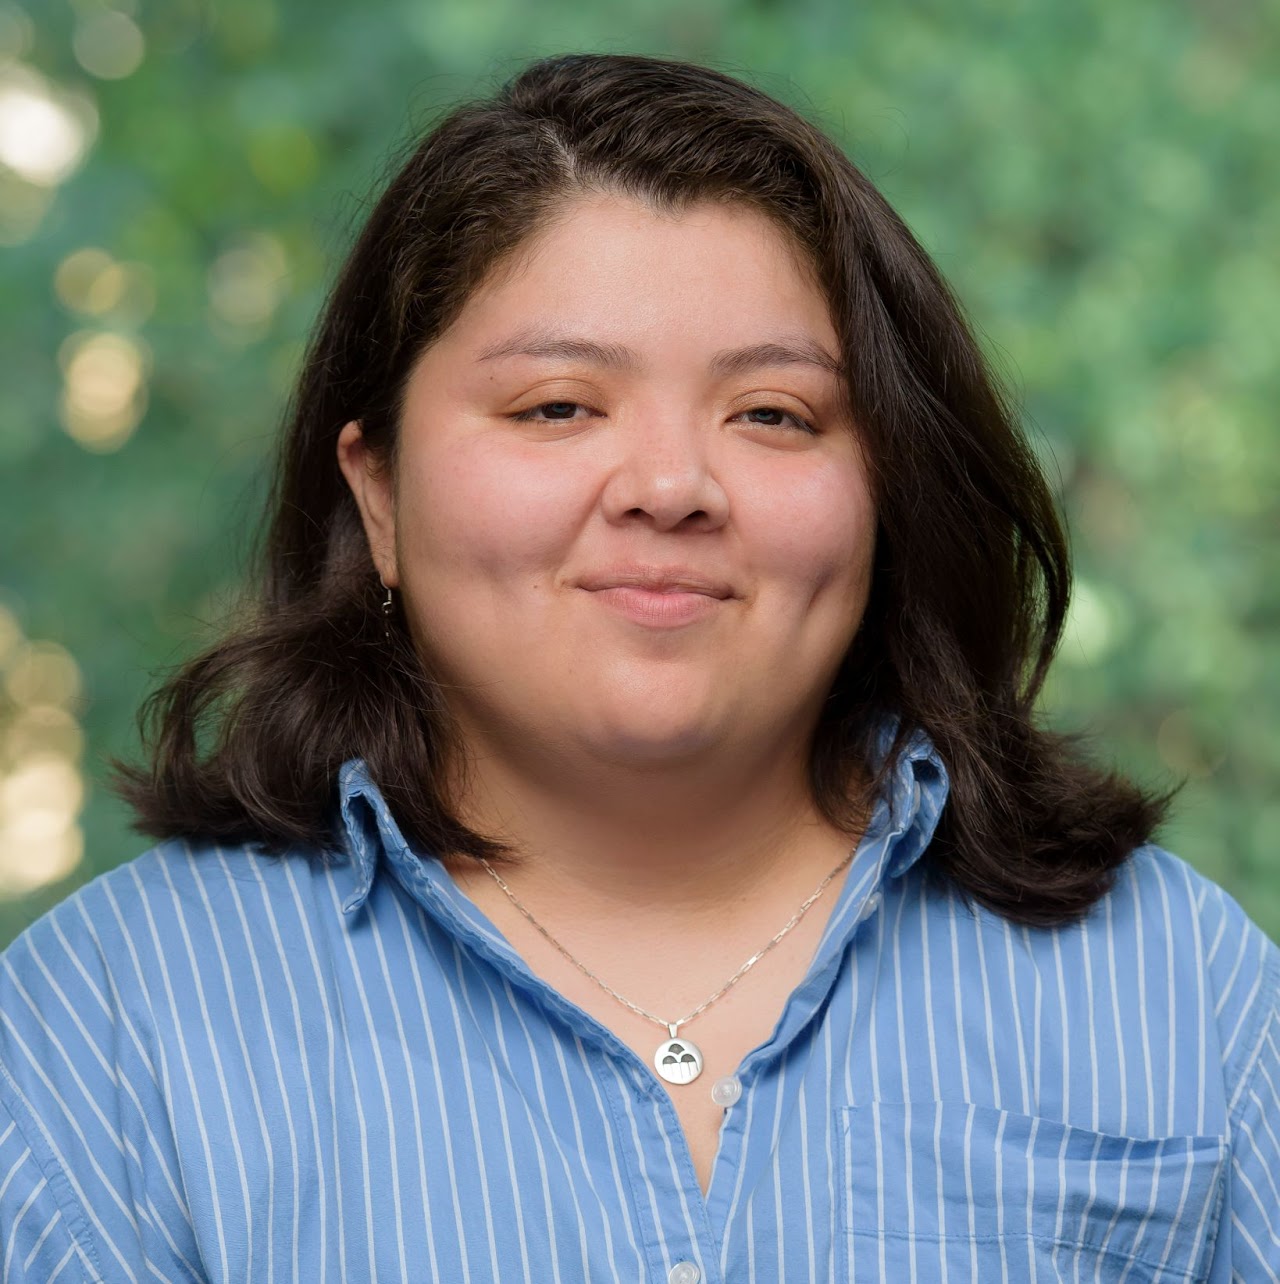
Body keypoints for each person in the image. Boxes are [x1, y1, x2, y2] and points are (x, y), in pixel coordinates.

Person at [0, 52, 1276, 1283]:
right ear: (377, 494)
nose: (671, 487)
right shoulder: (107, 1032)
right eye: (556, 406)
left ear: (884, 491)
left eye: (772, 415)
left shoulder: (1181, 988)